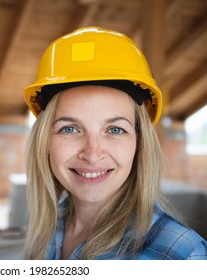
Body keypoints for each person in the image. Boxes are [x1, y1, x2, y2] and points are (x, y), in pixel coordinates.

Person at [22, 26, 207, 260]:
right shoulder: (46, 229)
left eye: (115, 129)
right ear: (45, 141)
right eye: (69, 129)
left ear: (139, 143)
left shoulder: (179, 255)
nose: (92, 153)